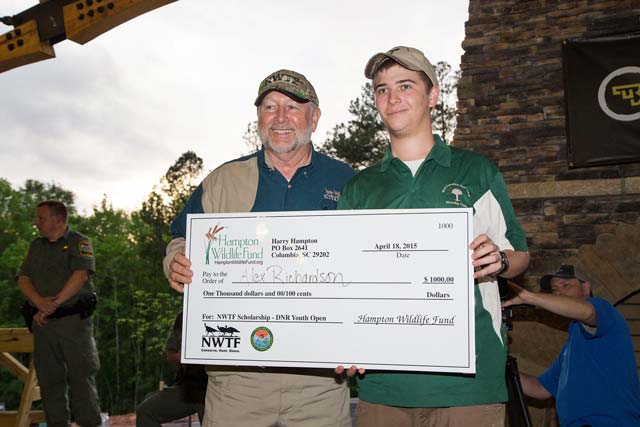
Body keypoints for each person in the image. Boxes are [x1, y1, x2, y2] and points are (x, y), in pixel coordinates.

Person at [335, 46, 530, 427]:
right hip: (383, 388)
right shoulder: (359, 187)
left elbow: (520, 256)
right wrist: (341, 337)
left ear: (433, 95)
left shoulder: (477, 171)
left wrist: (500, 260)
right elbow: (344, 281)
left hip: (469, 387)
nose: (392, 98)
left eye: (405, 85)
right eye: (382, 89)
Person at [164, 69, 355, 427]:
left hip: (320, 385)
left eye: (292, 107)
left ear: (314, 117)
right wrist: (175, 261)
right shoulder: (223, 180)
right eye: (270, 107)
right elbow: (180, 240)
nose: (280, 118)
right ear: (258, 118)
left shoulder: (347, 180)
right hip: (237, 382)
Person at [502, 264, 640, 426]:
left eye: (566, 285)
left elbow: (587, 312)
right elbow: (541, 388)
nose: (559, 292)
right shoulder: (570, 346)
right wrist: (498, 369)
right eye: (554, 289)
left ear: (586, 287)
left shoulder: (604, 310)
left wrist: (530, 297)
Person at [17, 200, 101, 427]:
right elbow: (23, 279)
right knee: (49, 381)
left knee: (81, 378)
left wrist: (51, 305)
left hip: (73, 323)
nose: (36, 223)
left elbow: (80, 276)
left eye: (40, 218)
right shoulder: (36, 246)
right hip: (43, 324)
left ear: (57, 219)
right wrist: (39, 303)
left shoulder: (79, 242)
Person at [136, 311, 207, 427]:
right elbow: (171, 356)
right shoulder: (184, 316)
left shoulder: (232, 313)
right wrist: (189, 355)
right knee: (145, 411)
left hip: (219, 388)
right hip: (191, 388)